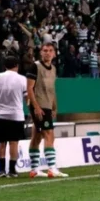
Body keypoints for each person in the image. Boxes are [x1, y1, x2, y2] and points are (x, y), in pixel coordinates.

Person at [26, 42, 67, 178]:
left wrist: (54, 106)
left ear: (54, 53)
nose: (47, 53)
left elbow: (52, 89)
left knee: (37, 136)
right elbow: (29, 88)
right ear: (41, 52)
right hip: (39, 105)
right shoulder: (35, 66)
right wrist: (36, 107)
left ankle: (34, 169)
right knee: (49, 134)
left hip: (47, 105)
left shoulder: (53, 68)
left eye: (50, 50)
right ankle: (52, 168)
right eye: (45, 50)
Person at [0, 54, 27, 178]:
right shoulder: (22, 79)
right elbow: (27, 98)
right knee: (14, 142)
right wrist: (32, 111)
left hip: (1, 114)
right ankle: (12, 170)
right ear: (17, 66)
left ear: (4, 66)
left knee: (2, 143)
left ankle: (1, 170)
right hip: (16, 115)